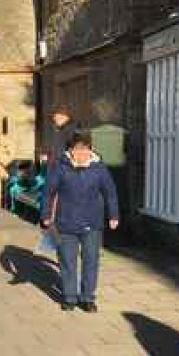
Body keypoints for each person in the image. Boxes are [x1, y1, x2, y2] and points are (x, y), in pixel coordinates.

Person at [41, 130, 120, 312]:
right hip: (65, 222)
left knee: (91, 260)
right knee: (67, 261)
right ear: (71, 149)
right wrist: (45, 215)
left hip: (92, 223)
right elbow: (48, 192)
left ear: (90, 149)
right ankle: (69, 297)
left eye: (85, 149)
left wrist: (114, 215)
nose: (81, 153)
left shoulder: (99, 168)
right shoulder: (60, 166)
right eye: (77, 149)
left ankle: (87, 298)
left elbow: (110, 192)